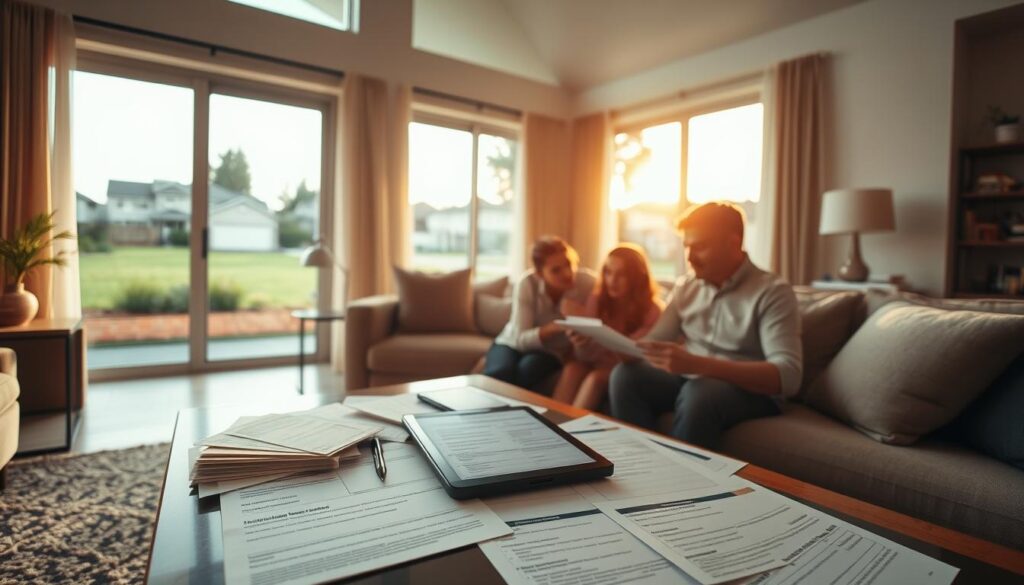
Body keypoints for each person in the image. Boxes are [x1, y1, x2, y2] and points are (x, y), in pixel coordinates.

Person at [608, 202, 802, 449]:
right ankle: (638, 462)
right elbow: (655, 341)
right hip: (692, 378)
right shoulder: (686, 286)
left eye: (699, 247)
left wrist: (699, 365)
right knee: (626, 377)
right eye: (687, 247)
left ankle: (684, 484)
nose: (689, 257)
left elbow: (789, 376)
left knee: (700, 394)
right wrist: (617, 346)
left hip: (750, 392)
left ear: (733, 244)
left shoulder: (772, 292)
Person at [552, 244, 663, 410]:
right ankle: (549, 425)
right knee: (572, 368)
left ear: (636, 277)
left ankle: (569, 431)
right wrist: (580, 342)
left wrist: (597, 333)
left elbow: (633, 353)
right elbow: (584, 356)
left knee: (596, 378)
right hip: (597, 361)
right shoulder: (598, 300)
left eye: (621, 274)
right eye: (608, 272)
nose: (612, 281)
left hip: (626, 368)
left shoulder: (652, 310)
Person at [483, 236, 596, 392]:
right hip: (512, 343)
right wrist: (555, 327)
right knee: (499, 373)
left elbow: (599, 322)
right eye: (556, 270)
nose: (567, 273)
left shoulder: (588, 283)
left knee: (527, 372)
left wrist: (579, 316)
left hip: (549, 351)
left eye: (569, 264)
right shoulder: (527, 284)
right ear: (539, 274)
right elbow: (520, 339)